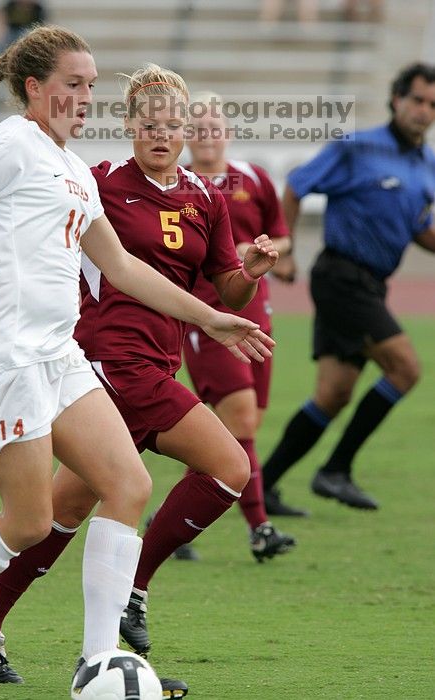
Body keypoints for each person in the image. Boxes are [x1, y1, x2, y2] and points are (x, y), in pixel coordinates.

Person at [0, 28, 275, 695]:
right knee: (27, 522)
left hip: (61, 357)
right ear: (34, 89)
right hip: (7, 360)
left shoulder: (75, 171)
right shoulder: (5, 151)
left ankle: (98, 662)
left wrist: (213, 316)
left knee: (128, 486)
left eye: (90, 87)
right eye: (73, 85)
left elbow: (120, 265)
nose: (85, 98)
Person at [262, 62, 435, 515]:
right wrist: (288, 249)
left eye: (433, 105)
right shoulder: (358, 148)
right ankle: (335, 470)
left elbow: (420, 229)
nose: (424, 111)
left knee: (334, 393)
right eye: (417, 99)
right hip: (341, 276)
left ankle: (264, 487)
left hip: (372, 285)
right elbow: (297, 187)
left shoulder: (427, 164)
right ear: (396, 99)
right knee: (405, 369)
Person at [180, 92, 306, 563]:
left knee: (236, 427)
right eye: (197, 128)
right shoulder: (179, 186)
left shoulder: (252, 179)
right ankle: (260, 527)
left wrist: (262, 248)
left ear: (227, 133)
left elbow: (283, 234)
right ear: (186, 136)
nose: (206, 136)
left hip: (256, 312)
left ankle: (173, 522)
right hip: (208, 317)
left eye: (214, 127)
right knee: (242, 420)